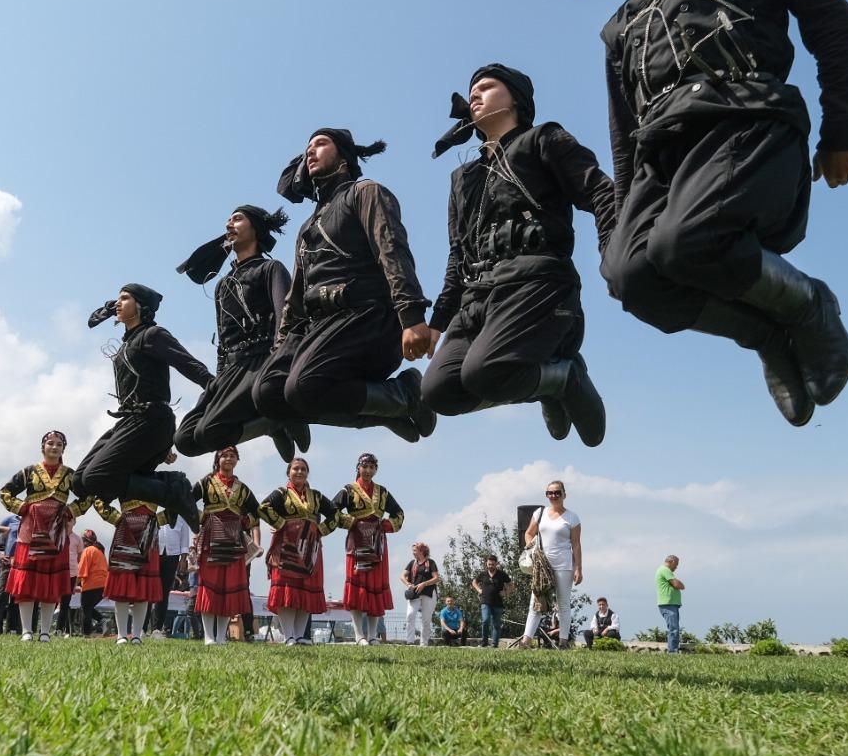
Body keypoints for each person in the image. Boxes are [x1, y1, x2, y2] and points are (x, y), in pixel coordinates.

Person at [573, 0, 848, 426]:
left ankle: (811, 306)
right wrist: (620, 232)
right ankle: (765, 335)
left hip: (745, 117)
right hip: (660, 155)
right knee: (632, 278)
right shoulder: (620, 23)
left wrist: (844, 128)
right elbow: (622, 129)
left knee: (684, 244)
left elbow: (834, 21)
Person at [423, 64, 617, 445]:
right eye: (471, 90)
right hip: (478, 296)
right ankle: (549, 381)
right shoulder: (462, 178)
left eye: (487, 87)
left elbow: (601, 192)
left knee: (485, 374)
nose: (474, 95)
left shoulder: (543, 139)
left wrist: (614, 254)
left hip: (538, 284)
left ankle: (567, 376)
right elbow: (457, 253)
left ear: (516, 99)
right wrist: (437, 320)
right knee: (439, 392)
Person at [254, 128, 438, 443]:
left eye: (320, 144)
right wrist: (280, 350)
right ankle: (384, 414)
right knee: (268, 393)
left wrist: (411, 316)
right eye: (307, 147)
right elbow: (295, 299)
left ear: (344, 156)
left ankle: (406, 394)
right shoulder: (306, 228)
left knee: (304, 387)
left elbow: (391, 250)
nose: (310, 152)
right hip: (319, 327)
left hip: (368, 318)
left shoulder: (365, 192)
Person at [176, 205, 308, 463]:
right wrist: (217, 378)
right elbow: (223, 340)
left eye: (237, 219)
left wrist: (280, 366)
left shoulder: (271, 269)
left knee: (209, 432)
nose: (229, 225)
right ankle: (271, 419)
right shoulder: (222, 285)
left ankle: (276, 416)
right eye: (228, 220)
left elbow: (288, 319)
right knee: (185, 440)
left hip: (262, 361)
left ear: (255, 229)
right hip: (230, 369)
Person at [77, 284, 213, 529]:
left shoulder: (152, 335)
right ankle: (164, 482)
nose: (118, 303)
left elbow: (187, 363)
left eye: (125, 298)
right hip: (130, 421)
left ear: (141, 306)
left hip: (152, 420)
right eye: (117, 299)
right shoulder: (127, 342)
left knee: (97, 478)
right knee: (80, 481)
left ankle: (174, 491)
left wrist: (215, 387)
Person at [0, 431, 91, 643]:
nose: (54, 447)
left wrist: (70, 511)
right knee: (27, 581)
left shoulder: (70, 475)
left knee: (50, 583)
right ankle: (26, 630)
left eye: (59, 444)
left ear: (63, 449)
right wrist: (23, 508)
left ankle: (45, 631)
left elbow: (88, 497)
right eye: (50, 443)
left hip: (56, 534)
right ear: (43, 447)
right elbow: (5, 493)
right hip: (30, 532)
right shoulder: (29, 472)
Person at [258, 457, 338, 646]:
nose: (299, 472)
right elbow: (263, 507)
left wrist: (320, 530)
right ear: (288, 473)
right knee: (288, 589)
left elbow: (335, 513)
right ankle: (289, 636)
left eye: (303, 469)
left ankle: (300, 635)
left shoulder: (316, 496)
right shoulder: (281, 493)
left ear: (307, 473)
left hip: (311, 548)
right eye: (295, 469)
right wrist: (282, 524)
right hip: (286, 546)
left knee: (306, 590)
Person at [332, 453, 404, 645]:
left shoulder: (383, 491)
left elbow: (399, 513)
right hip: (356, 541)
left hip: (377, 544)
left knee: (374, 587)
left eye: (372, 467)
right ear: (358, 467)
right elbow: (332, 509)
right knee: (357, 585)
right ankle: (358, 635)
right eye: (365, 466)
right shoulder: (348, 490)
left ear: (376, 470)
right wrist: (352, 522)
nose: (368, 470)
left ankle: (372, 635)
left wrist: (386, 526)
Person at [192, 446, 260, 645]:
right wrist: (201, 517)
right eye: (225, 455)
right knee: (210, 584)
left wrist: (246, 521)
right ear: (217, 459)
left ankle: (221, 637)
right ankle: (208, 636)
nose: (229, 459)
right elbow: (186, 500)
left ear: (237, 460)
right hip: (211, 536)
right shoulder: (206, 482)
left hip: (234, 539)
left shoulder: (243, 488)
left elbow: (258, 511)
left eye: (233, 456)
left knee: (227, 585)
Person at [516, 481, 582, 649]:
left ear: (564, 494)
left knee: (563, 605)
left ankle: (563, 641)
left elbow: (576, 544)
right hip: (542, 566)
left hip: (563, 565)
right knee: (536, 602)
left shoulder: (572, 517)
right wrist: (532, 548)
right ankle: (526, 641)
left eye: (557, 492)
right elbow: (529, 533)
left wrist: (578, 568)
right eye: (550, 493)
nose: (553, 496)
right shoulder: (540, 513)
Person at [92, 495, 160, 645]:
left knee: (143, 590)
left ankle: (136, 635)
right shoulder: (121, 478)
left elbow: (178, 501)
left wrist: (160, 520)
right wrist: (116, 518)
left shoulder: (159, 480)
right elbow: (97, 498)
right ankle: (121, 634)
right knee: (122, 586)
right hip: (125, 531)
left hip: (149, 533)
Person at [148, 512, 190, 637]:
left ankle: (156, 628)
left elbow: (185, 539)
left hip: (173, 555)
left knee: (164, 592)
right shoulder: (155, 511)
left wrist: (183, 559)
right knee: (149, 590)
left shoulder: (182, 516)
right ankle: (142, 628)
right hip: (155, 553)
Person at [400, 542, 441, 648]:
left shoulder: (430, 563)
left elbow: (436, 578)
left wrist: (424, 584)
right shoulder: (412, 563)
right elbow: (402, 576)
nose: (413, 553)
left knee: (426, 619)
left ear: (422, 551)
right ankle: (410, 642)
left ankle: (424, 643)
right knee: (410, 615)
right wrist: (408, 584)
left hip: (428, 593)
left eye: (415, 550)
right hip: (415, 594)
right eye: (413, 550)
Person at [470, 554, 512, 648]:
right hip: (485, 602)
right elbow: (474, 582)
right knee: (485, 620)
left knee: (496, 624)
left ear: (496, 564)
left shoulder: (502, 574)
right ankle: (484, 642)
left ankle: (494, 644)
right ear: (486, 564)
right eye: (489, 564)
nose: (490, 566)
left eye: (492, 564)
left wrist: (506, 593)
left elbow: (511, 585)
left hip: (498, 603)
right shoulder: (483, 574)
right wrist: (479, 590)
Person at [74, 529, 108, 637]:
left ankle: (86, 633)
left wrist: (73, 585)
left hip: (91, 584)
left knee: (86, 610)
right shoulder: (100, 551)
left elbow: (81, 571)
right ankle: (103, 620)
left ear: (84, 541)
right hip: (103, 585)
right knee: (88, 608)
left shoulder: (87, 550)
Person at [657, 555, 686, 653]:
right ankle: (673, 651)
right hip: (668, 604)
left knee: (674, 628)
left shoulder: (665, 571)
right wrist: (679, 584)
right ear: (672, 561)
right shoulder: (665, 570)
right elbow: (677, 584)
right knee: (674, 628)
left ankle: (673, 650)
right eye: (676, 564)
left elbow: (678, 585)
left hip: (671, 604)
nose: (676, 567)